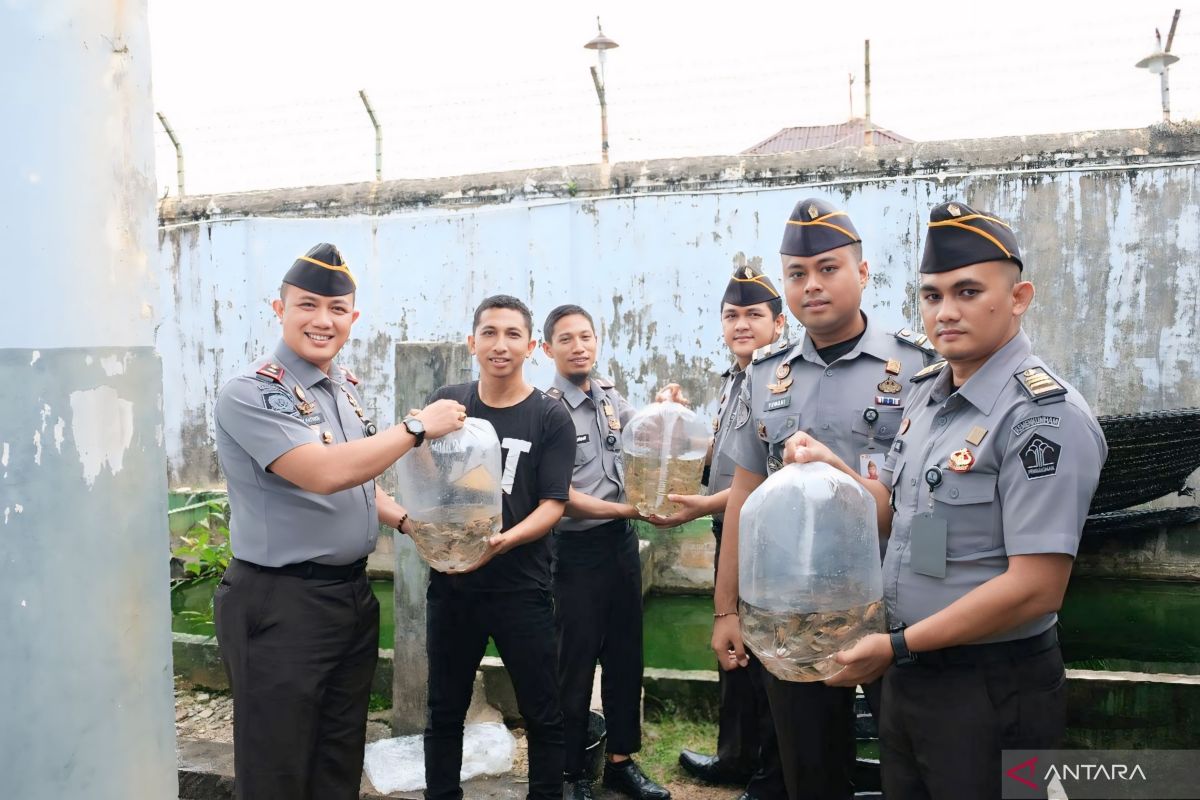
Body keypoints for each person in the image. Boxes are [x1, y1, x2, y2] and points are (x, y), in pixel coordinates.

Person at [793, 201, 1106, 799]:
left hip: (991, 687)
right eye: (932, 296)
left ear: (1018, 297)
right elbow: (896, 513)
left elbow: (1038, 585)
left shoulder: (1041, 416)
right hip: (910, 677)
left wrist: (897, 646)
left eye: (967, 292)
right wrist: (835, 471)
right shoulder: (926, 397)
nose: (946, 312)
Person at [213, 243, 466, 800]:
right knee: (277, 767)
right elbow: (324, 473)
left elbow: (360, 478)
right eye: (307, 305)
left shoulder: (342, 391)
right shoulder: (253, 393)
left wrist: (410, 524)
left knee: (338, 757)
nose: (322, 320)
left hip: (347, 600)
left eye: (336, 309)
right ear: (279, 309)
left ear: (353, 318)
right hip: (280, 604)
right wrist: (417, 427)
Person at [711, 198, 937, 800]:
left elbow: (932, 498)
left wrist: (938, 599)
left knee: (915, 765)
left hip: (898, 605)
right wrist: (726, 609)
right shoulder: (764, 373)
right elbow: (744, 496)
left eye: (829, 269)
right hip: (794, 613)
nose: (812, 286)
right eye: (796, 274)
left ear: (863, 274)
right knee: (809, 770)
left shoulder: (918, 365)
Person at [423, 295, 576, 800]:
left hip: (521, 586)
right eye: (489, 332)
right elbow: (429, 477)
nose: (500, 344)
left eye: (513, 334)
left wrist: (504, 541)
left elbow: (553, 504)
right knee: (444, 709)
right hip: (453, 583)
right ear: (472, 342)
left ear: (531, 346)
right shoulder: (450, 402)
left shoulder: (549, 417)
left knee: (541, 709)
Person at [654, 265, 787, 800]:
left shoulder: (783, 380)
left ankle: (772, 774)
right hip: (727, 532)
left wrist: (704, 504)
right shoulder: (736, 380)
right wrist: (677, 421)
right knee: (732, 645)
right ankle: (737, 757)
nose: (742, 324)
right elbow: (722, 461)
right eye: (732, 315)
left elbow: (775, 476)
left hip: (772, 536)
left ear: (778, 325)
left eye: (754, 315)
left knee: (775, 655)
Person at [540, 304, 670, 800]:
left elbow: (646, 437)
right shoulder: (547, 408)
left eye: (586, 337)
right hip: (573, 552)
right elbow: (560, 495)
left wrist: (663, 407)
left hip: (619, 548)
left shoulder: (611, 398)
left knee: (624, 657)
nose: (579, 347)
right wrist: (627, 512)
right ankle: (570, 772)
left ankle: (620, 761)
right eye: (567, 339)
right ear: (548, 348)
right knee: (572, 665)